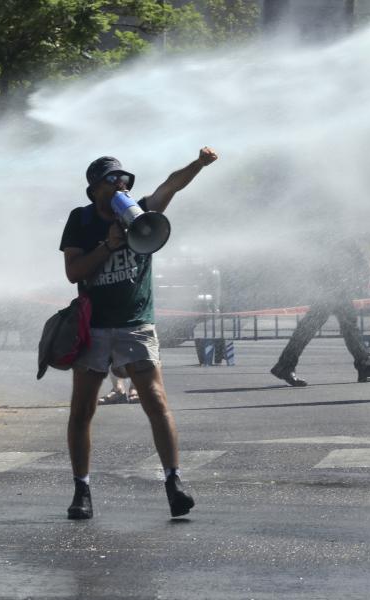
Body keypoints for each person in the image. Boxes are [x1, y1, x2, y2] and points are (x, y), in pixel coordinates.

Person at [59, 146, 218, 520]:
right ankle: (82, 488)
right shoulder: (80, 220)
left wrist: (198, 163)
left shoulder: (140, 211)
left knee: (157, 401)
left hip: (135, 324)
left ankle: (174, 482)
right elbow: (73, 272)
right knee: (82, 409)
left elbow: (171, 186)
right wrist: (108, 245)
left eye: (124, 179)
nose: (121, 185)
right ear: (95, 188)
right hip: (94, 327)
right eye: (112, 180)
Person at [269, 221, 370, 386]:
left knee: (329, 325)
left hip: (328, 282)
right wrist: (365, 265)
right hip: (334, 283)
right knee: (338, 326)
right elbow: (349, 245)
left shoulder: (319, 225)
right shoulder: (336, 224)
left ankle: (365, 367)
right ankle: (365, 368)